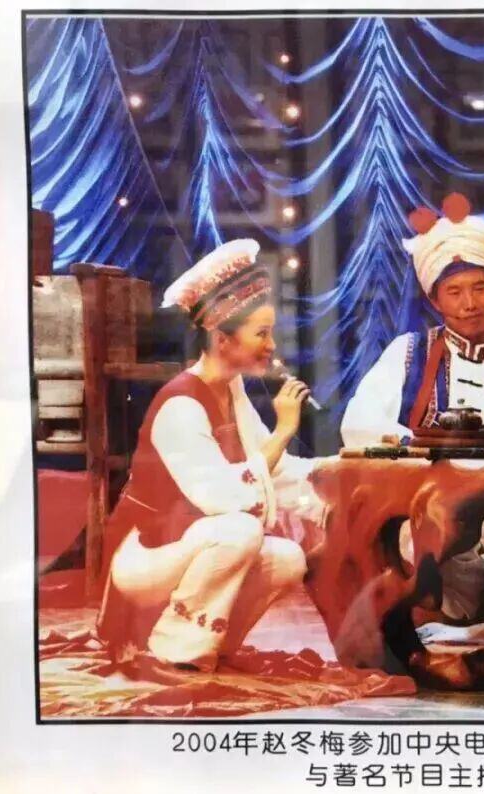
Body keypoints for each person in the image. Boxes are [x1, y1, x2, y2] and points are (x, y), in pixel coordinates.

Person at [97, 239, 320, 674]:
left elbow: (270, 465)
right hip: (145, 555)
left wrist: (334, 474)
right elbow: (223, 497)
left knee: (287, 557)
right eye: (261, 333)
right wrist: (284, 431)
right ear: (221, 339)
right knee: (240, 530)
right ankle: (174, 648)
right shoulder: (181, 403)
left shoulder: (231, 388)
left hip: (188, 546)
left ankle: (211, 645)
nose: (271, 346)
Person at [340, 193, 484, 633]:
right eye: (454, 292)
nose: (469, 303)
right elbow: (357, 423)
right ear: (435, 300)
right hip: (427, 498)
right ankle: (450, 628)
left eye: (480, 288)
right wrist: (410, 444)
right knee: (433, 535)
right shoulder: (407, 354)